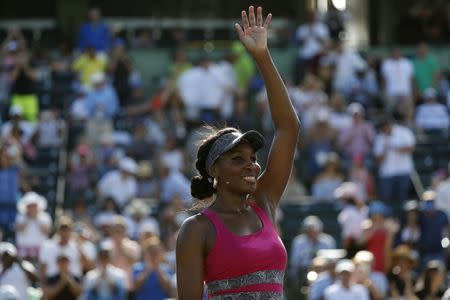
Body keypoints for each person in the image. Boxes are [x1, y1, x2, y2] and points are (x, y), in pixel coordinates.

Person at [176, 6, 300, 299]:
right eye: (238, 159)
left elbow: (288, 127)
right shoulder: (196, 230)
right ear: (215, 170)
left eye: (254, 159)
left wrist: (262, 57)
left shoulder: (264, 202)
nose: (252, 166)